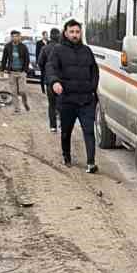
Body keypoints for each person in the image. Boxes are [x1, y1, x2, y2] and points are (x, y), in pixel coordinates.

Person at [46, 19, 99, 173]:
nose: (75, 35)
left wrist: (92, 88)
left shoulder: (87, 51)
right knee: (66, 131)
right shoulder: (58, 50)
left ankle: (91, 163)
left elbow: (94, 71)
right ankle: (66, 156)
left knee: (89, 131)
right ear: (66, 33)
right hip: (67, 99)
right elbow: (51, 68)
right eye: (72, 32)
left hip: (86, 100)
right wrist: (55, 82)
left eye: (77, 32)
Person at [0, 30, 31, 113]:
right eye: (13, 36)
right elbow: (4, 59)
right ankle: (17, 109)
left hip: (21, 72)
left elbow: (27, 60)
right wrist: (2, 70)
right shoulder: (7, 46)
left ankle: (25, 102)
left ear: (19, 37)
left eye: (16, 36)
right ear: (11, 37)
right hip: (12, 72)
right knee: (14, 92)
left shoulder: (23, 47)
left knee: (22, 91)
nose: (15, 38)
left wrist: (25, 71)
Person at [39, 28, 61, 131]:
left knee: (51, 104)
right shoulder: (63, 48)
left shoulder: (45, 48)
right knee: (62, 103)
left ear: (50, 36)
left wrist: (46, 71)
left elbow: (40, 62)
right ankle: (63, 123)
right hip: (61, 80)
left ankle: (53, 126)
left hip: (49, 80)